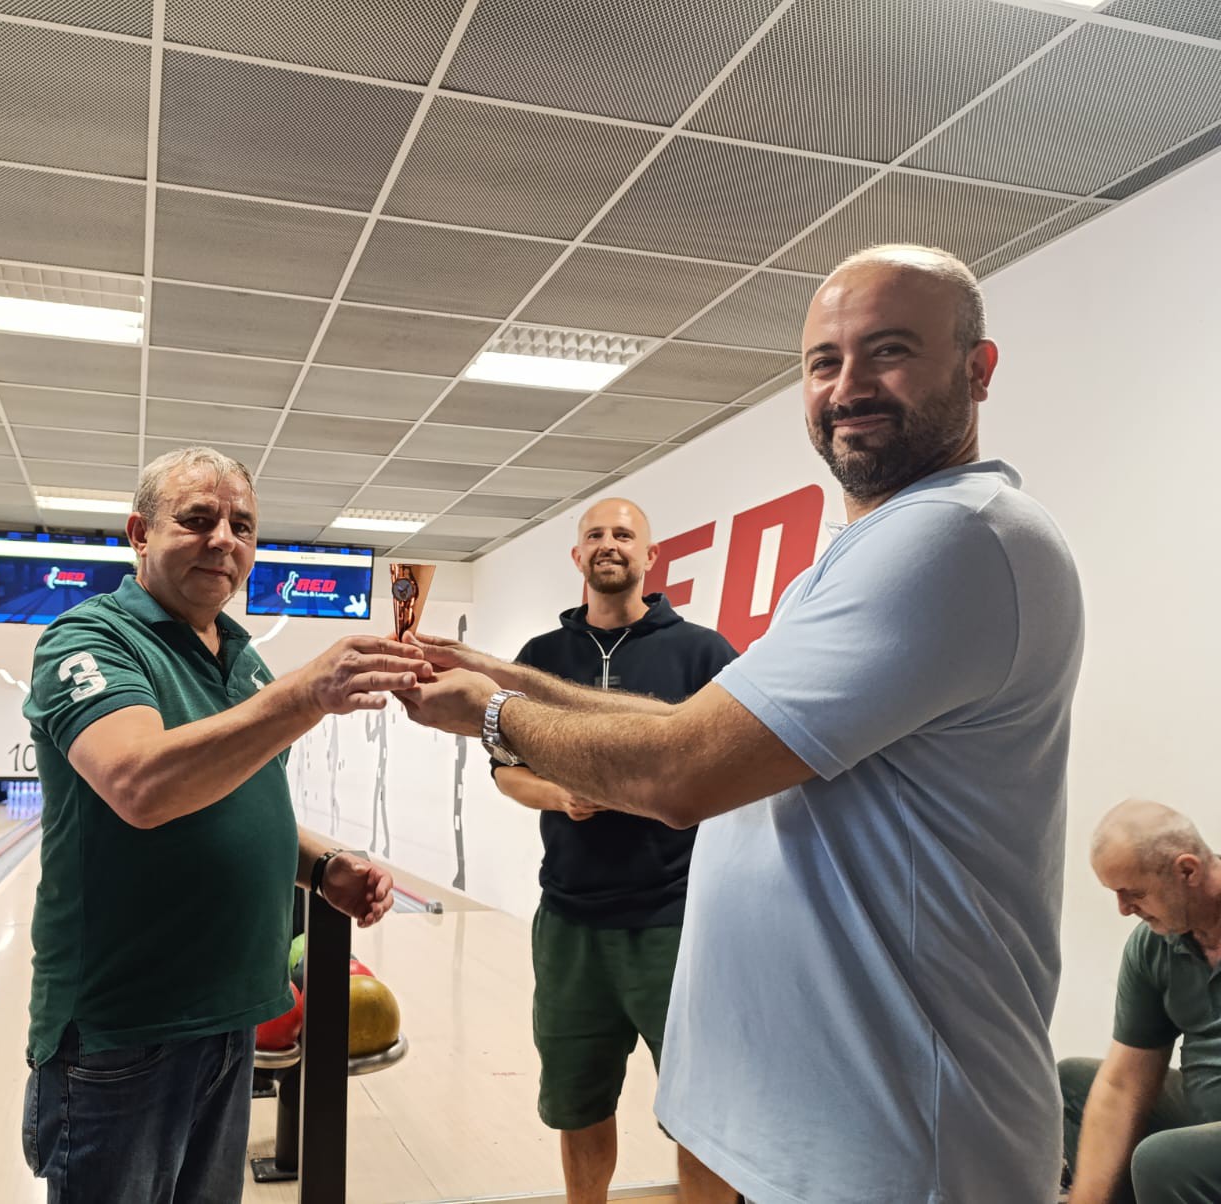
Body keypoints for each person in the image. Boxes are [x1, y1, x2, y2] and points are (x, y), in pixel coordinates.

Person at [398, 244, 1086, 1203]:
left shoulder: (957, 535)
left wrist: (495, 714)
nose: (848, 385)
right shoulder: (853, 559)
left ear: (978, 369)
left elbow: (684, 769)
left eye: (888, 351)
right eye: (823, 361)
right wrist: (501, 671)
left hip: (902, 1152)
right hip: (825, 1134)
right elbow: (706, 727)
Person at [19, 445, 427, 1203]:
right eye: (198, 519)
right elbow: (139, 784)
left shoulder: (240, 657)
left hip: (234, 1013)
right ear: (140, 534)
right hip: (126, 1028)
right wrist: (305, 695)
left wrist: (323, 863)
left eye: (243, 525)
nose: (225, 540)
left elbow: (243, 801)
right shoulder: (90, 640)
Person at [492, 496, 736, 1203]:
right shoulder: (541, 660)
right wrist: (559, 796)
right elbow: (506, 770)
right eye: (595, 534)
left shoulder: (702, 653)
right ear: (577, 557)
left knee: (701, 1112)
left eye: (624, 534)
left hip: (675, 923)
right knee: (579, 1104)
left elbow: (735, 764)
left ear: (650, 557)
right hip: (569, 924)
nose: (609, 544)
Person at [1059, 799, 1221, 1204]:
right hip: (1206, 1119)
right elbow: (1123, 1082)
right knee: (1076, 1083)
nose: (1123, 909)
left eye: (1134, 893)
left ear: (1187, 870)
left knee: (1162, 1159)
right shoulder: (1155, 944)